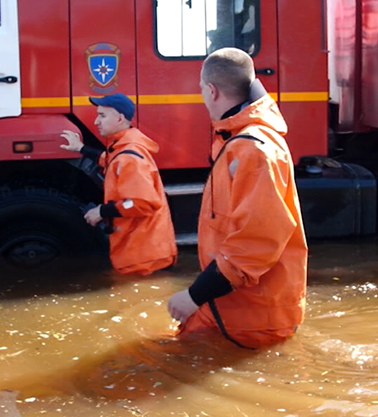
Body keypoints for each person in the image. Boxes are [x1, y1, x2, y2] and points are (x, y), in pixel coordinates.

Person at [166, 48, 308, 349]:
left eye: (201, 90)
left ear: (212, 90)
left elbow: (257, 242)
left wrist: (194, 296)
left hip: (254, 319)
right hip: (232, 303)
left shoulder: (252, 150)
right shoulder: (235, 141)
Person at [60, 93, 177, 276]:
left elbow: (141, 203)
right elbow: (110, 161)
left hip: (143, 257)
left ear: (120, 118)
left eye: (102, 115)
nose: (97, 121)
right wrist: (81, 149)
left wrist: (101, 211)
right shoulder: (124, 149)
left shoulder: (129, 158)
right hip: (143, 252)